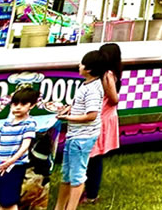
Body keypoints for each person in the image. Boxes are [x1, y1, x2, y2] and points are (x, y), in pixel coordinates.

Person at [54, 51, 105, 210]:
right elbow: (80, 106)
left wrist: (68, 119)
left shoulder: (93, 90)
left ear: (89, 69)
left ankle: (71, 207)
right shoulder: (87, 84)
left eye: (82, 64)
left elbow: (91, 115)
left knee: (77, 176)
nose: (79, 66)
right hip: (75, 135)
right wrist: (69, 109)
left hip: (82, 138)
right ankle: (59, 206)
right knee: (66, 174)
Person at [83, 43, 122, 204]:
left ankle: (91, 193)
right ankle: (88, 190)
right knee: (93, 157)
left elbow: (114, 99)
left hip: (103, 118)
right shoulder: (109, 73)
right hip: (103, 117)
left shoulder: (107, 75)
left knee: (94, 157)